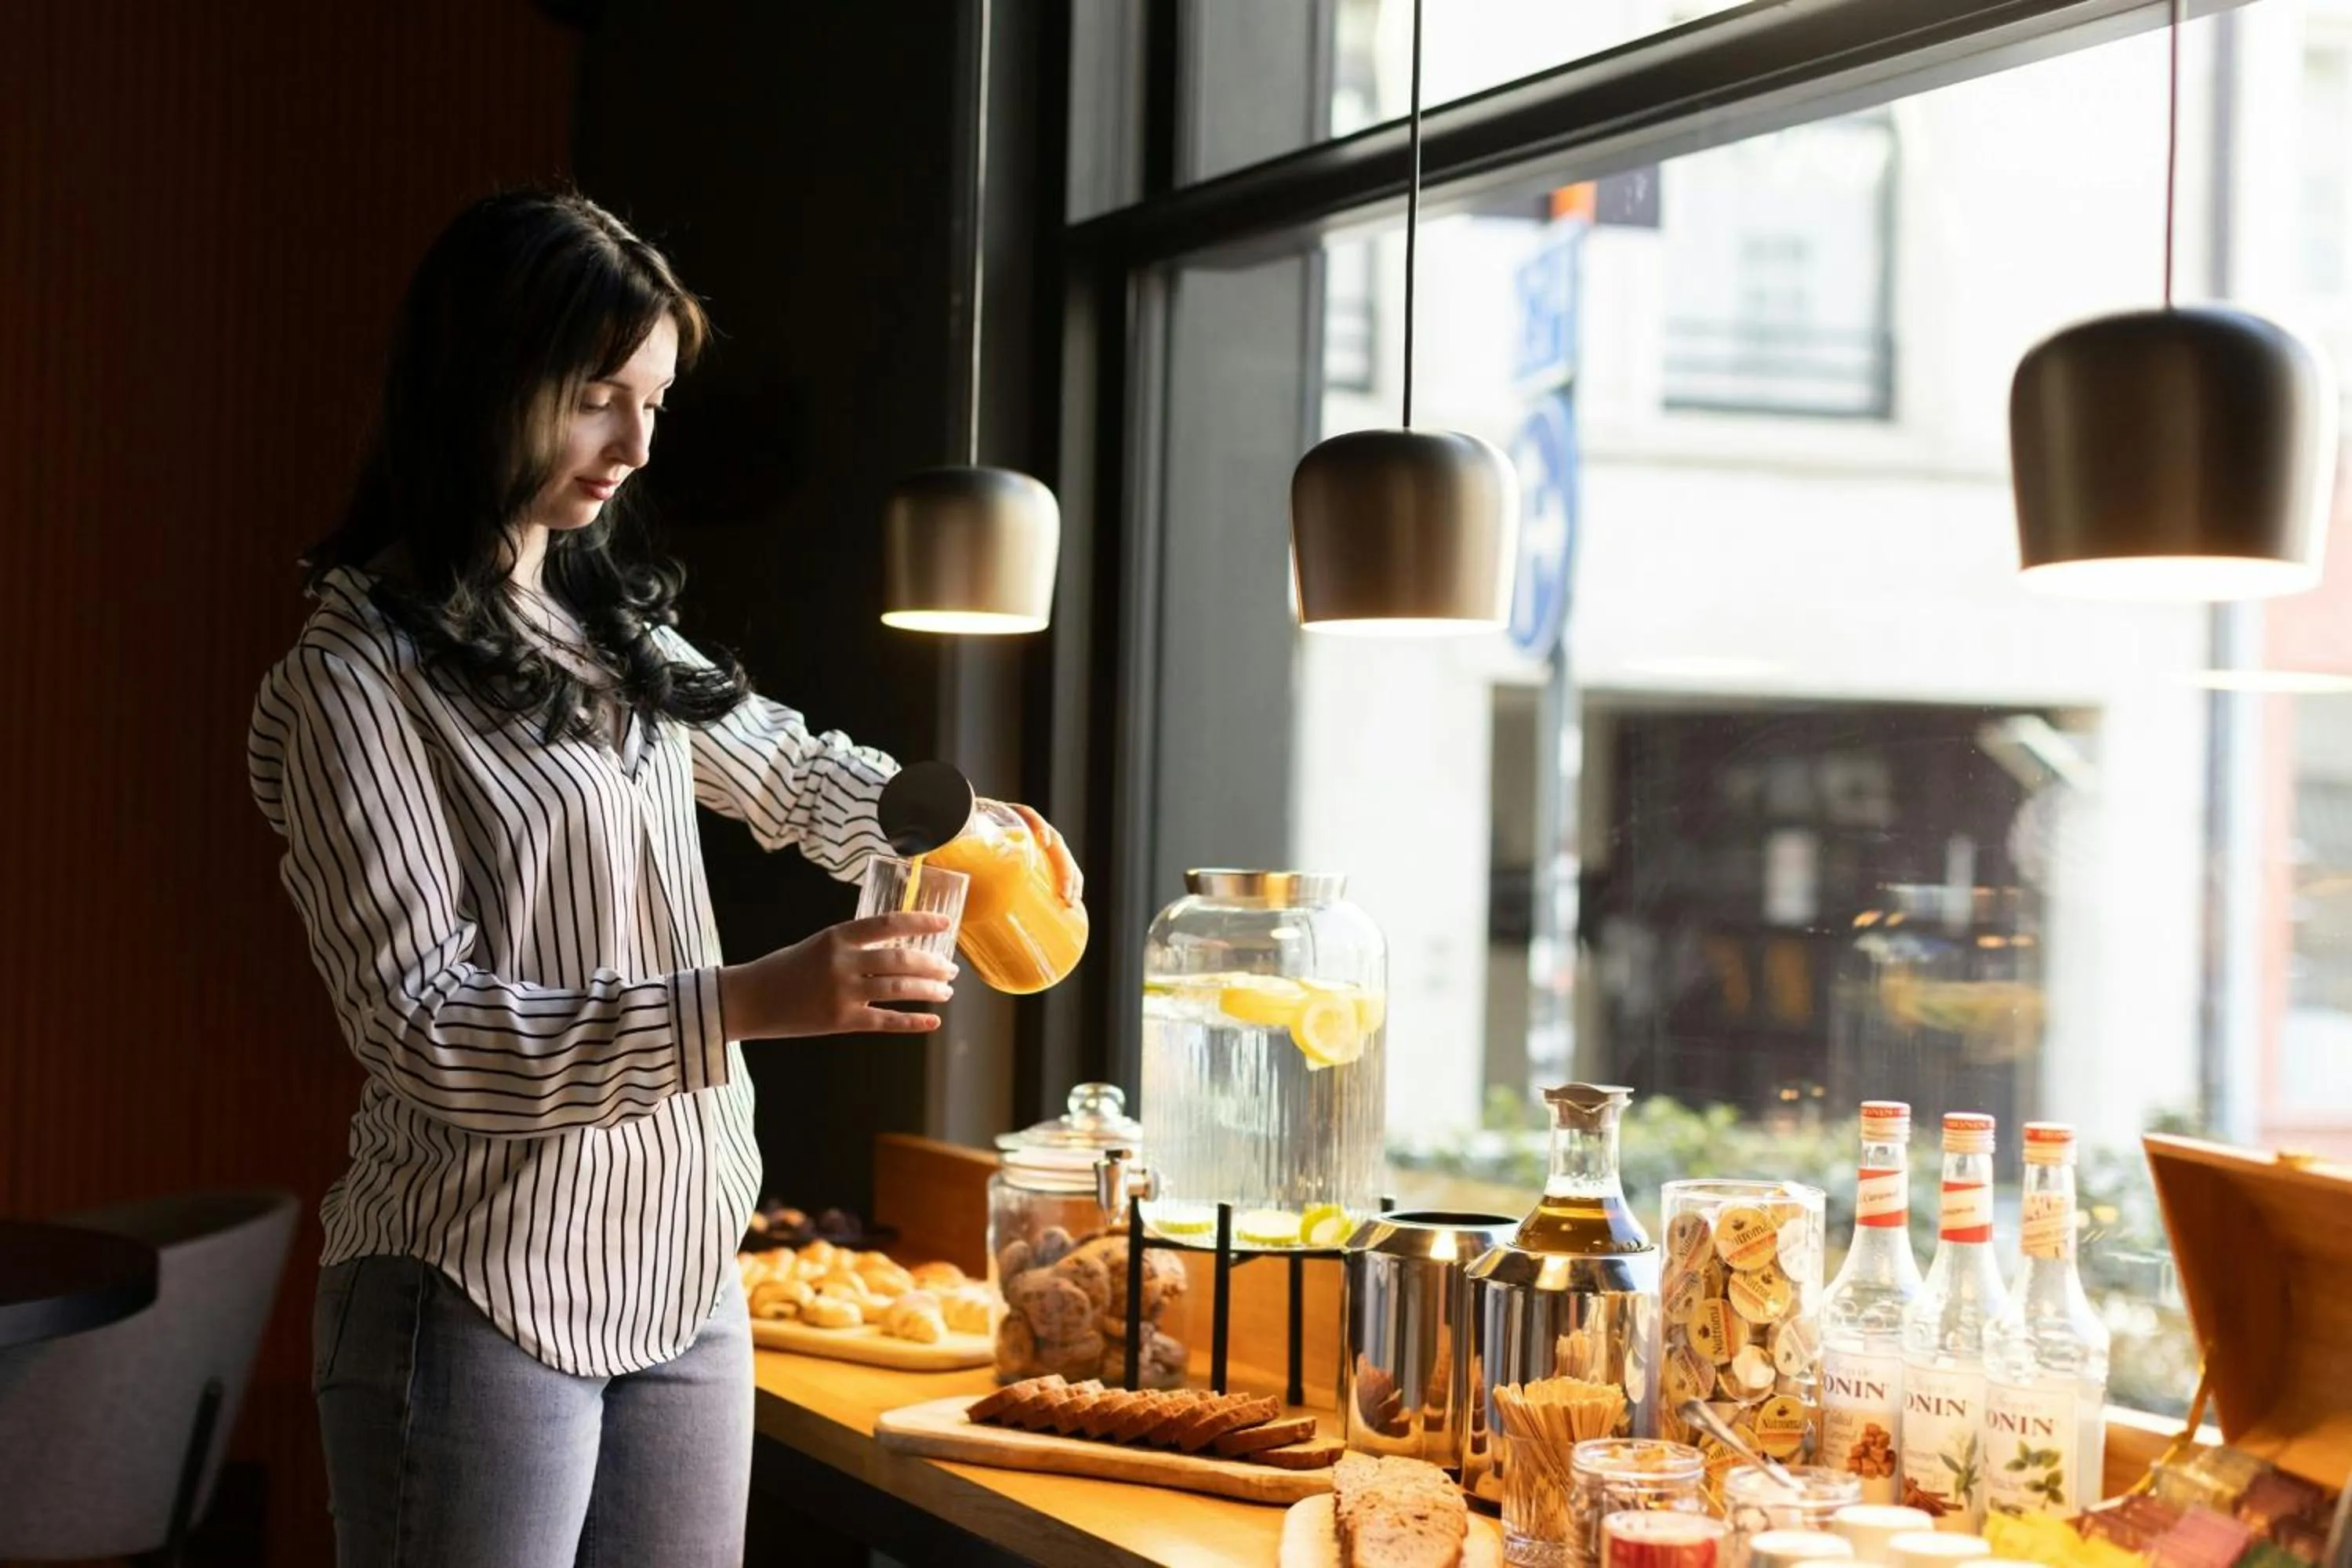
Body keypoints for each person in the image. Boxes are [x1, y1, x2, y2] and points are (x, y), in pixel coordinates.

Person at [246, 187, 1078, 1566]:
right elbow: (430, 1032)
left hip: (685, 1271)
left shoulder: (601, 623)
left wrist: (960, 821)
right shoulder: (349, 683)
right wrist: (752, 999)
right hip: (472, 1286)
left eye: (655, 401)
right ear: (485, 383)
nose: (636, 446)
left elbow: (791, 768)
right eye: (596, 399)